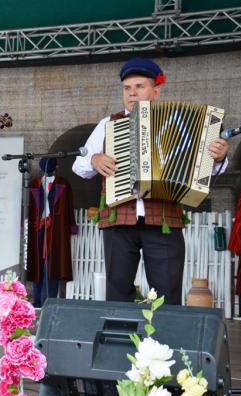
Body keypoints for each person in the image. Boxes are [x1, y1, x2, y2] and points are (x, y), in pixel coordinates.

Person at [72, 58, 229, 305]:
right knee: (118, 292)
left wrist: (219, 157)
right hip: (119, 222)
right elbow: (78, 167)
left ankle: (163, 343)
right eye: (127, 88)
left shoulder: (179, 123)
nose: (132, 93)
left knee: (167, 293)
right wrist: (94, 159)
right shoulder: (107, 124)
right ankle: (121, 342)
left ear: (155, 91)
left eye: (139, 86)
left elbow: (209, 171)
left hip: (164, 221)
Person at [27, 157, 77, 308]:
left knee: (52, 264)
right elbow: (29, 207)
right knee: (38, 264)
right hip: (38, 228)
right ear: (56, 167)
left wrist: (71, 226)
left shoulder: (63, 184)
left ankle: (47, 301)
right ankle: (38, 300)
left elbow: (68, 206)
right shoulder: (34, 184)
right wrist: (72, 227)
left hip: (56, 229)